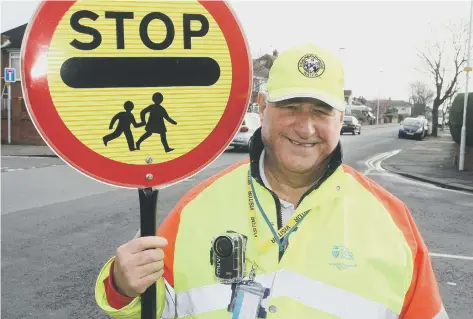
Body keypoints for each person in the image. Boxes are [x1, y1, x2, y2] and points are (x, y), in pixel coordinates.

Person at [95, 43, 448, 319]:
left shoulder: (392, 221)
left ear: (341, 118)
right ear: (263, 107)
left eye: (321, 111)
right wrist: (124, 287)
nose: (305, 127)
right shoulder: (198, 207)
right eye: (291, 107)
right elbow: (157, 309)